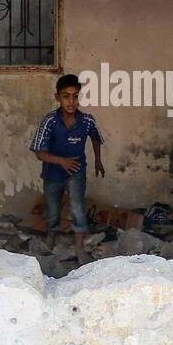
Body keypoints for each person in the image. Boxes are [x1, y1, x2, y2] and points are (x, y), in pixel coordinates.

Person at [29, 74, 105, 265]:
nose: (71, 101)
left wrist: (98, 160)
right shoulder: (50, 121)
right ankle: (51, 236)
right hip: (52, 173)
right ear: (57, 97)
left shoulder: (87, 120)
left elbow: (96, 138)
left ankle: (80, 249)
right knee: (53, 209)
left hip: (76, 171)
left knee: (77, 207)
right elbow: (39, 152)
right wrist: (62, 161)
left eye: (75, 96)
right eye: (66, 96)